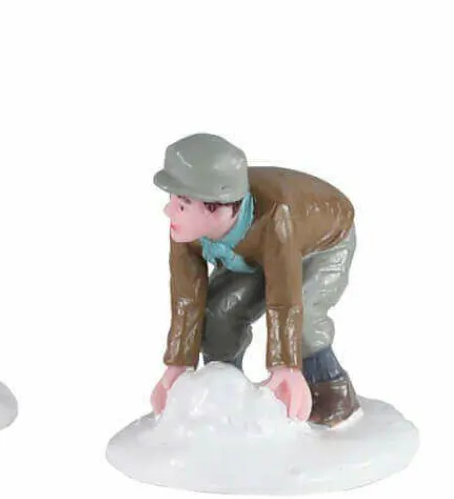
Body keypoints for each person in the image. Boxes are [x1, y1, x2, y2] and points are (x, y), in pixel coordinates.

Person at [151, 132, 359, 426]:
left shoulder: (276, 215)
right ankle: (224, 392)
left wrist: (285, 367)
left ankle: (332, 391)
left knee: (304, 318)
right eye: (172, 199)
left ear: (219, 208)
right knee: (219, 313)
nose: (169, 211)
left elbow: (284, 298)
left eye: (182, 204)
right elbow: (187, 297)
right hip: (256, 254)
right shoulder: (186, 227)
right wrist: (178, 364)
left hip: (323, 244)